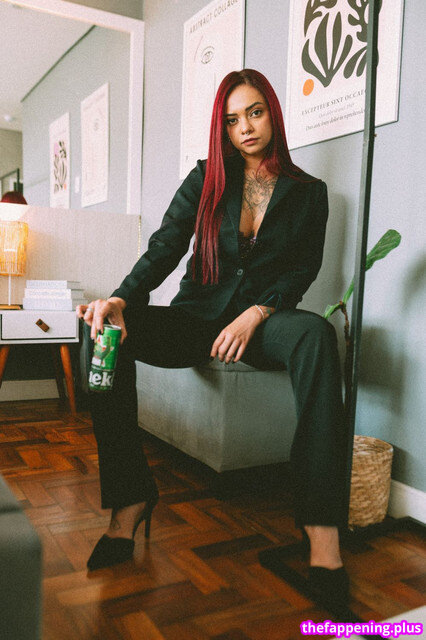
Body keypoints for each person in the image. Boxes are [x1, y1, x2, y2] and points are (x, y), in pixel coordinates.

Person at [77, 68, 350, 610]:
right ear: (221, 128)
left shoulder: (308, 193)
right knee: (100, 332)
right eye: (232, 119)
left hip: (261, 324)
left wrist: (258, 312)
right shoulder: (205, 179)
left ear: (272, 113)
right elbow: (164, 247)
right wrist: (121, 299)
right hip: (194, 318)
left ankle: (322, 530)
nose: (245, 127)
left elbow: (302, 269)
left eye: (255, 112)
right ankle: (130, 500)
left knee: (317, 334)